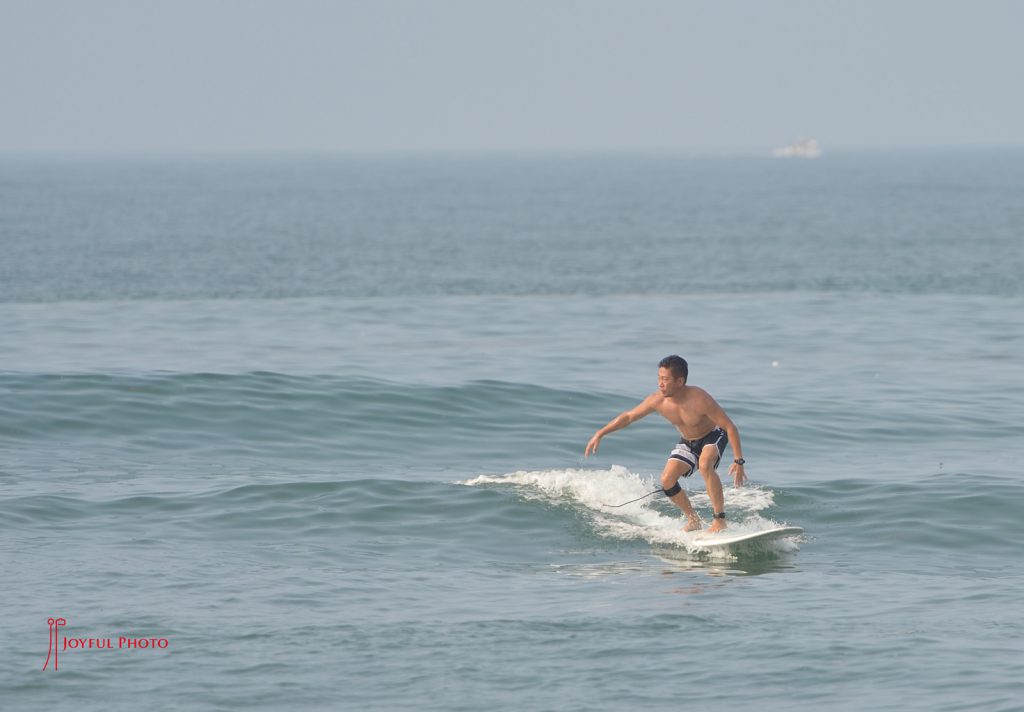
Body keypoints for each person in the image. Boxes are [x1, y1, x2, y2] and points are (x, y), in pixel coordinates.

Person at [584, 355, 747, 533]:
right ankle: (693, 520)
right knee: (667, 479)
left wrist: (738, 460)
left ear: (680, 381)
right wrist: (601, 433)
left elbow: (730, 427)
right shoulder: (657, 400)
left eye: (665, 379)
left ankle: (719, 520)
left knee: (705, 464)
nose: (660, 384)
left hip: (713, 435)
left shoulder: (700, 399)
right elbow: (629, 417)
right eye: (659, 378)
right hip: (688, 441)